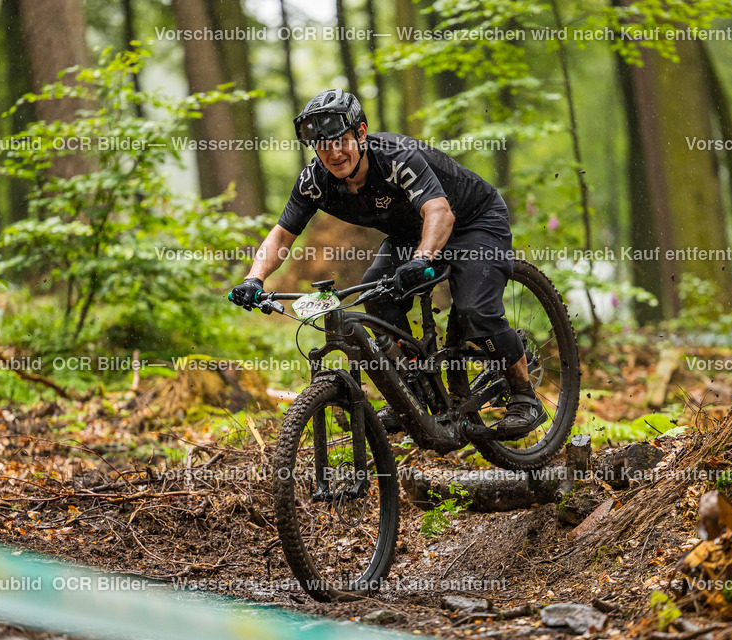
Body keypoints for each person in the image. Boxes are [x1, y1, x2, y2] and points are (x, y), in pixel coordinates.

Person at [231, 88, 544, 438]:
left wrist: (422, 258)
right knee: (377, 298)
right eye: (322, 146)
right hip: (409, 235)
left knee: (474, 310)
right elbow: (281, 236)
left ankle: (524, 395)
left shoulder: (396, 157)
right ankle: (414, 396)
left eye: (341, 141)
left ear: (361, 134)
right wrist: (253, 280)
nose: (333, 154)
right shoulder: (315, 181)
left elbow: (439, 211)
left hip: (473, 221)